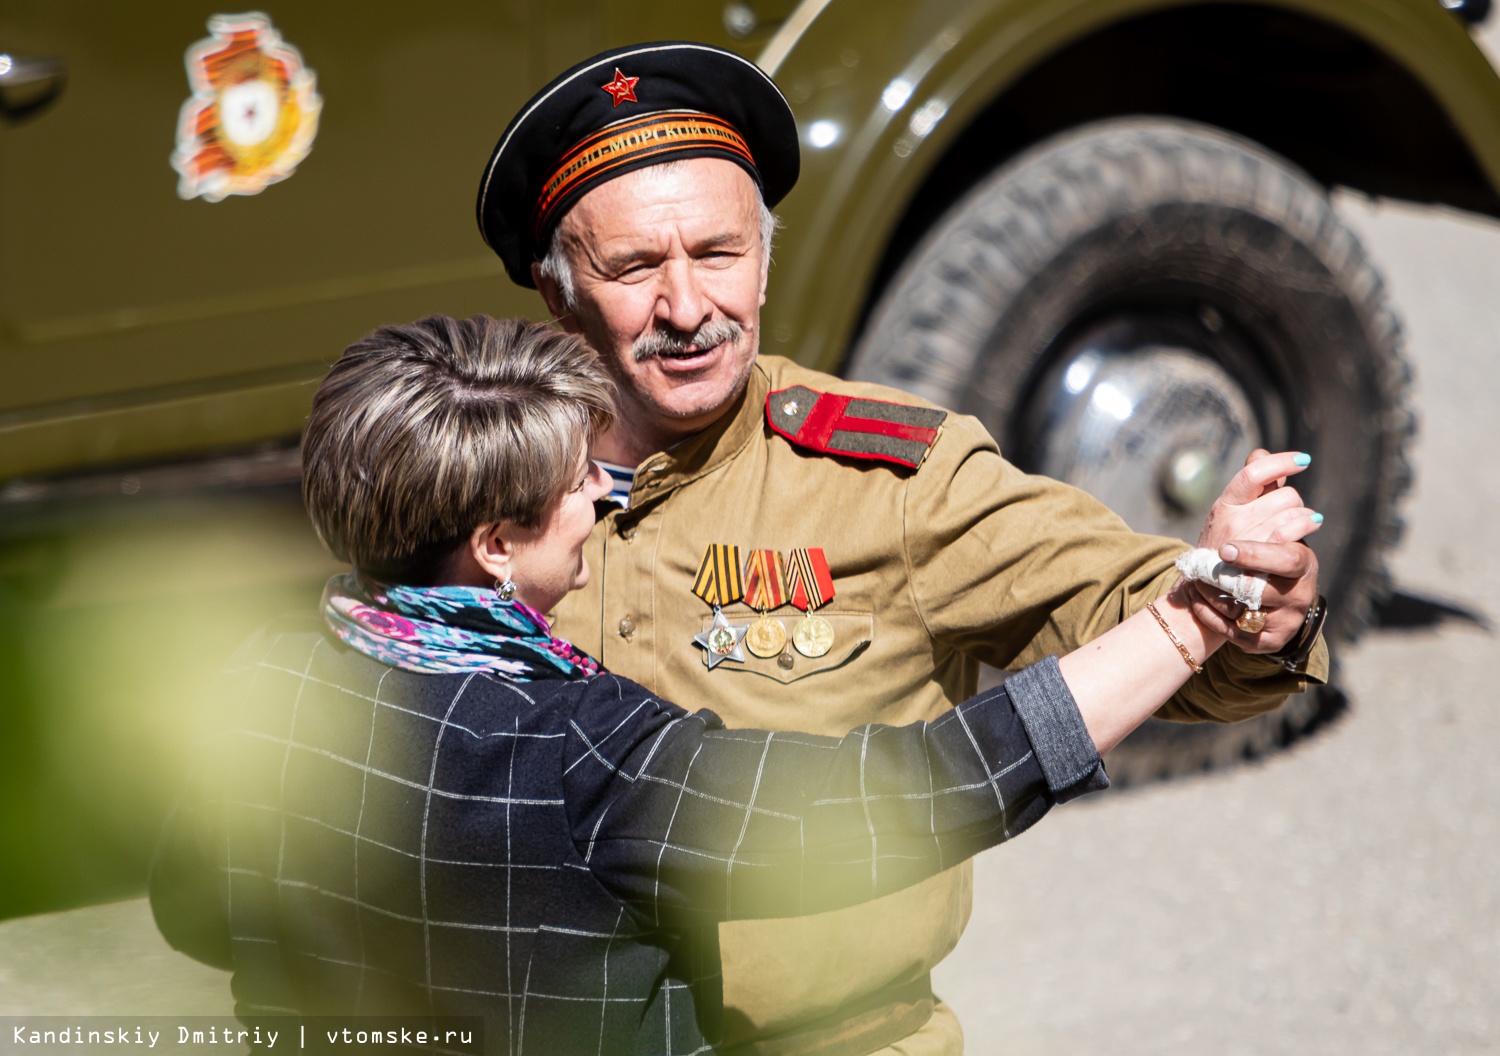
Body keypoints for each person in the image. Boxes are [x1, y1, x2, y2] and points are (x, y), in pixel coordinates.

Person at [474, 41, 1330, 1056]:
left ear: (764, 254)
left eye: (718, 254)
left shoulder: (887, 475)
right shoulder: (484, 484)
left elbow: (1116, 592)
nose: (689, 308)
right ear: (557, 288)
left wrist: (1253, 603)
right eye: (633, 268)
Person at [148, 315, 1317, 1054]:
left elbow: (193, 915)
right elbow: (910, 796)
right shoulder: (580, 748)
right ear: (494, 545)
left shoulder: (258, 685)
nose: (604, 499)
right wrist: (1186, 622)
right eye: (571, 486)